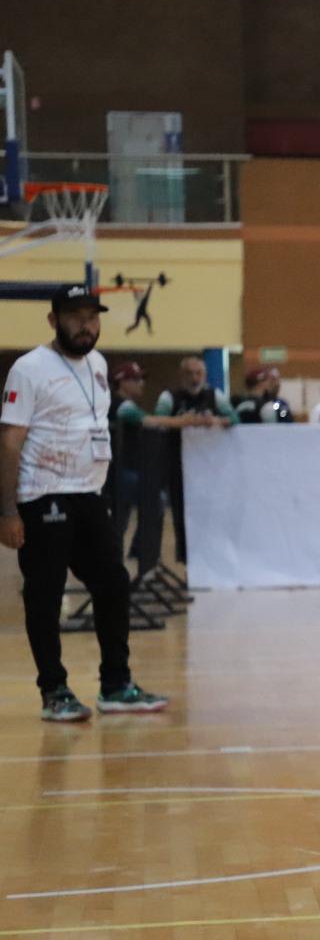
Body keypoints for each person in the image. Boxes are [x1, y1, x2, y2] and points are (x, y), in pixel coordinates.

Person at [0, 287, 170, 721]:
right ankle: (54, 690)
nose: (86, 325)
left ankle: (115, 684)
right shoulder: (29, 368)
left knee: (112, 582)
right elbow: (10, 442)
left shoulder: (98, 365)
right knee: (45, 592)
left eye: (92, 317)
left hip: (89, 495)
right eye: (75, 316)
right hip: (43, 496)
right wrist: (8, 511)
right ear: (53, 320)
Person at [107, 361, 211, 544]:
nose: (142, 383)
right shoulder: (122, 406)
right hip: (118, 472)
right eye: (136, 379)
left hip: (124, 470)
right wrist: (185, 421)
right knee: (152, 502)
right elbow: (152, 421)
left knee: (124, 519)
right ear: (122, 382)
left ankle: (136, 555)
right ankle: (141, 556)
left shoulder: (121, 405)